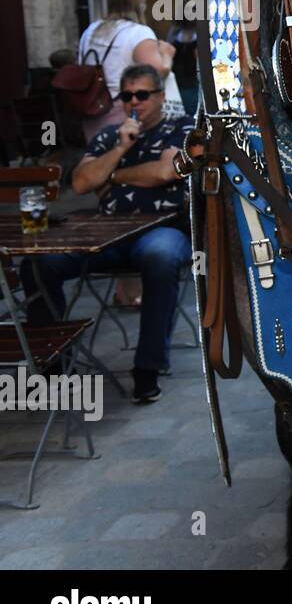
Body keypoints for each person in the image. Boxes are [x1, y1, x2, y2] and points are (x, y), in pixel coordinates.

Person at [23, 64, 193, 404]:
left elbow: (165, 171)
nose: (135, 102)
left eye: (142, 95)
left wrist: (112, 176)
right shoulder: (109, 136)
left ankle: (147, 369)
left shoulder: (182, 128)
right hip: (106, 234)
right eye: (127, 95)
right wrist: (119, 149)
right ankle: (54, 366)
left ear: (160, 97)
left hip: (161, 228)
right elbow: (82, 182)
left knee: (160, 256)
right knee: (38, 263)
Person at [76, 0, 177, 140]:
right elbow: (157, 73)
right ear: (138, 0)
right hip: (123, 110)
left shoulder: (90, 30)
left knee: (99, 159)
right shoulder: (138, 33)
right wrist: (167, 55)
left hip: (91, 109)